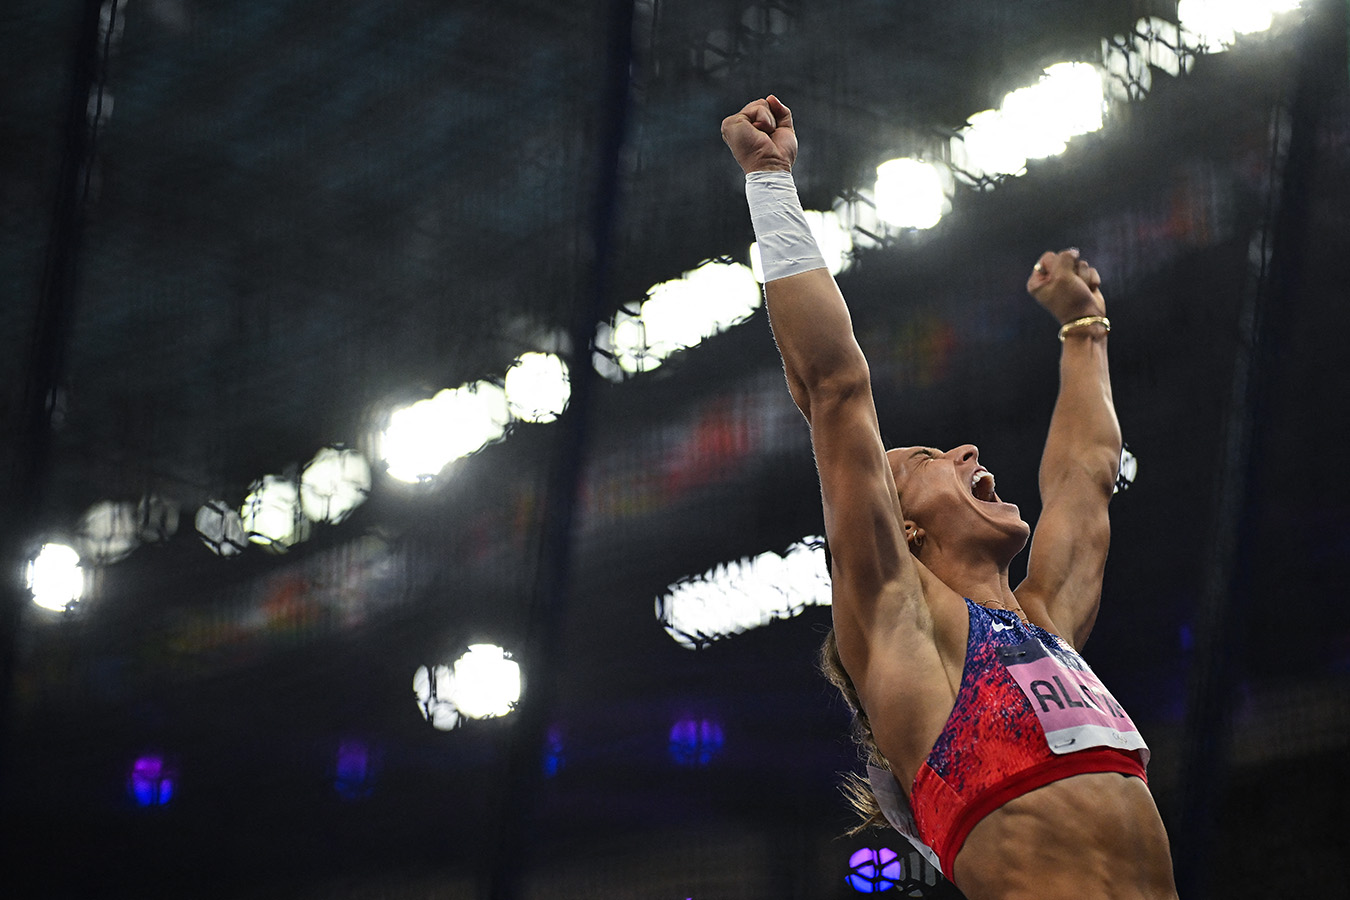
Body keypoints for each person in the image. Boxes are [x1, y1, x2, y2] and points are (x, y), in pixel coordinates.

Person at [721, 95, 1179, 900]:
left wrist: (1086, 327)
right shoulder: (901, 624)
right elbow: (835, 386)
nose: (968, 450)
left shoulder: (1048, 627)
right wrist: (768, 180)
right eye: (931, 456)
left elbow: (1086, 475)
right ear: (900, 526)